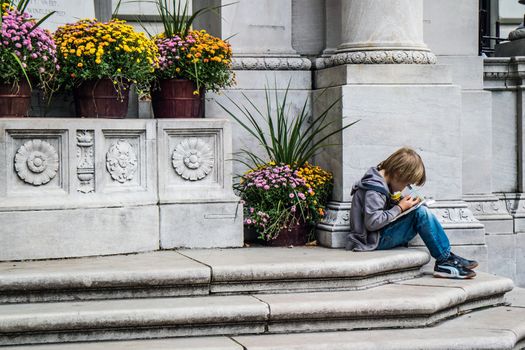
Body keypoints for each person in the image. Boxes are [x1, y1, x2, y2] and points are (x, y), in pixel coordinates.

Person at [346, 147, 478, 279]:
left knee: (419, 211)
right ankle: (445, 261)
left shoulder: (378, 181)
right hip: (371, 241)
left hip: (376, 236)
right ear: (398, 174)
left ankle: (447, 257)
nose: (406, 187)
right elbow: (372, 223)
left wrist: (401, 204)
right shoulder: (375, 190)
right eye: (407, 183)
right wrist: (400, 207)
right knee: (421, 213)